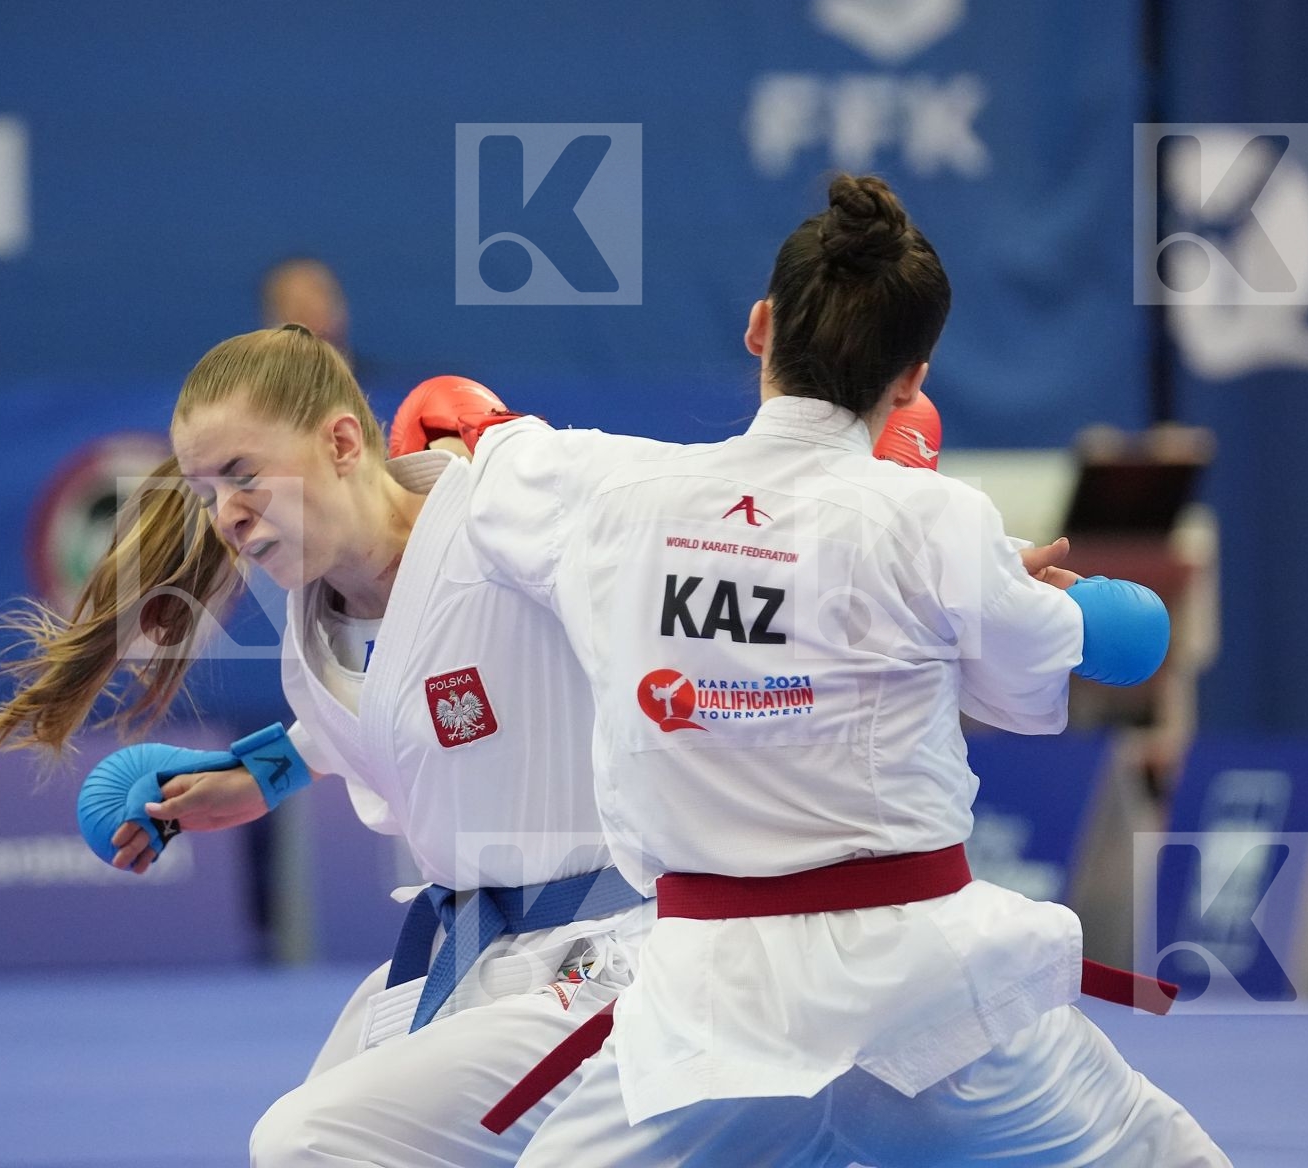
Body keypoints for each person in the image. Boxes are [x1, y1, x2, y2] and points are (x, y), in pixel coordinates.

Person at [458, 175, 1229, 1165]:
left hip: (711, 1011)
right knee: (1156, 1153)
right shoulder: (939, 522)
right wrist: (1029, 603)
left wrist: (467, 432)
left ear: (758, 327)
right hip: (926, 992)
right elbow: (1103, 649)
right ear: (913, 380)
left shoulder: (615, 494)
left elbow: (486, 460)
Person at [0, 327, 655, 1167]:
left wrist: (520, 442)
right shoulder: (314, 630)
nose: (227, 516)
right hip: (477, 962)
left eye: (244, 475)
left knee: (305, 1143)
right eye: (209, 491)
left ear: (343, 441)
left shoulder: (503, 518)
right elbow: (379, 714)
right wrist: (257, 776)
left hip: (611, 963)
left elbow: (685, 514)